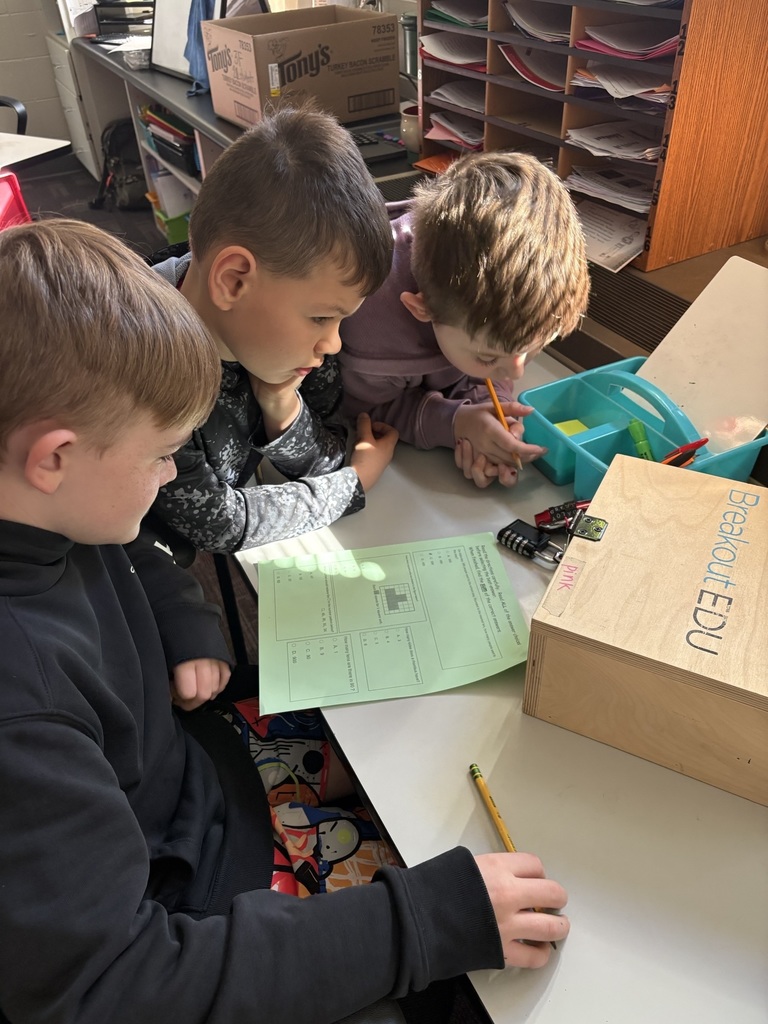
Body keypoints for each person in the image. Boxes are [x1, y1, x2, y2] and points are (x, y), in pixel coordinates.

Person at [0, 218, 569, 1024]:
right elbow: (108, 987)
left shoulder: (43, 511)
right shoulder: (21, 714)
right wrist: (420, 925)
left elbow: (117, 551)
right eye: (160, 455)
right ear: (52, 457)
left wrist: (180, 616)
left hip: (199, 777)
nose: (167, 477)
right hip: (193, 902)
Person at [150, 105, 399, 557]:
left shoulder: (280, 339)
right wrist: (356, 482)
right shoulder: (148, 370)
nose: (334, 343)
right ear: (233, 282)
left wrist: (282, 406)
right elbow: (222, 524)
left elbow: (327, 442)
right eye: (321, 318)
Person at [339, 150, 590, 489]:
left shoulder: (471, 324)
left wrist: (491, 407)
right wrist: (453, 424)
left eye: (534, 349)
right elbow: (364, 409)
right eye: (488, 357)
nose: (517, 372)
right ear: (421, 309)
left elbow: (479, 366)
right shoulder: (369, 314)